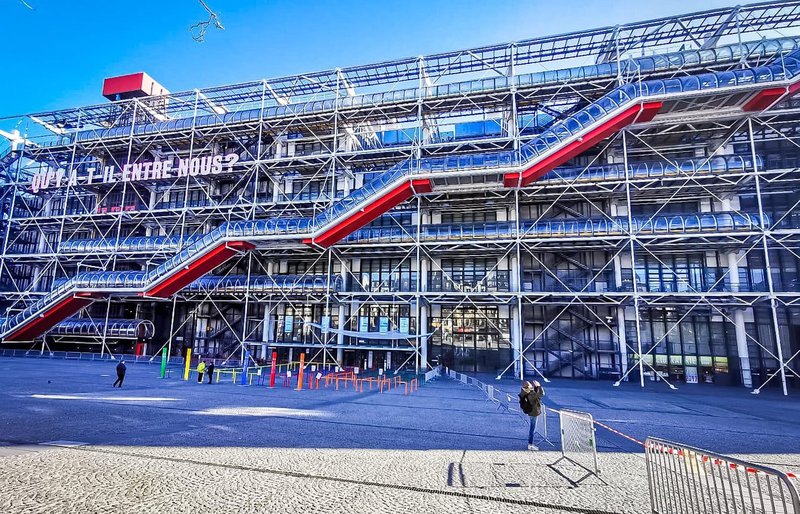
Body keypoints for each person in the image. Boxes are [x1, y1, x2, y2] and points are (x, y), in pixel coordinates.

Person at [518, 380, 545, 450]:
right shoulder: (531, 394)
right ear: (528, 387)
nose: (532, 386)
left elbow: (536, 394)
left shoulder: (524, 392)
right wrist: (539, 386)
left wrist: (536, 387)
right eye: (530, 385)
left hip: (530, 412)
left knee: (532, 428)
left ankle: (530, 444)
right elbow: (541, 394)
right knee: (532, 429)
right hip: (533, 412)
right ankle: (530, 444)